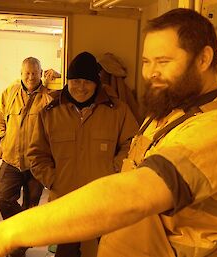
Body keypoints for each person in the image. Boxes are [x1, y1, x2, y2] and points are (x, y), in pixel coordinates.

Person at [0, 8, 217, 257]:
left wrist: (3, 234)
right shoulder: (166, 111)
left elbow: (134, 196)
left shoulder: (214, 129)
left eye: (163, 61)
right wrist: (55, 179)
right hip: (83, 209)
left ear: (203, 59)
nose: (150, 73)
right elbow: (40, 152)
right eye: (146, 61)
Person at [27, 51, 139, 257]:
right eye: (75, 81)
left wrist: (113, 173)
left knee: (113, 250)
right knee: (66, 252)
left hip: (105, 199)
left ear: (96, 83)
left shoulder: (118, 111)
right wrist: (54, 180)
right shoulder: (48, 114)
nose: (81, 87)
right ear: (67, 82)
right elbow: (36, 155)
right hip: (65, 200)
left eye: (87, 81)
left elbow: (133, 145)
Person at [0, 57, 57, 257]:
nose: (30, 77)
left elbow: (68, 96)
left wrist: (58, 76)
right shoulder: (9, 93)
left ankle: (17, 249)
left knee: (32, 204)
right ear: (21, 74)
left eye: (34, 73)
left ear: (41, 73)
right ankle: (24, 229)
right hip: (11, 160)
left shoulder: (49, 96)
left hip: (36, 164)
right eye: (27, 73)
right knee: (4, 199)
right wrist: (2, 139)